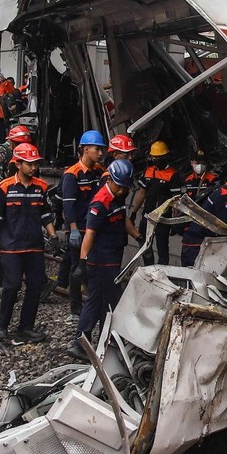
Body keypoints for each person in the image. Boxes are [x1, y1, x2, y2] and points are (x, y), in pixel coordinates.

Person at [67, 159, 141, 360]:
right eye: (119, 186)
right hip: (100, 262)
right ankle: (80, 342)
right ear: (110, 180)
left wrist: (137, 236)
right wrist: (82, 263)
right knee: (97, 301)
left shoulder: (118, 196)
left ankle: (103, 340)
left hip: (112, 259)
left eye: (125, 187)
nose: (122, 191)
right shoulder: (100, 203)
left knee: (106, 303)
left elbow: (123, 218)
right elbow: (89, 235)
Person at [0, 143, 57, 343]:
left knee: (35, 286)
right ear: (17, 164)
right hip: (12, 248)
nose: (33, 167)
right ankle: (2, 326)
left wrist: (53, 237)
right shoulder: (5, 187)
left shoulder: (41, 187)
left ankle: (26, 327)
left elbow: (45, 215)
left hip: (34, 247)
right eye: (29, 164)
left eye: (35, 164)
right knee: (12, 286)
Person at [62, 130, 106, 318]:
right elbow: (69, 203)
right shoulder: (72, 174)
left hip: (93, 227)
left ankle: (94, 298)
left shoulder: (99, 172)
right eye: (97, 149)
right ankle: (75, 304)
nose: (101, 153)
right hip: (79, 228)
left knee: (93, 264)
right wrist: (73, 229)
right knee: (76, 267)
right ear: (86, 149)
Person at [180, 159, 227, 266]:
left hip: (202, 243)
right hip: (196, 246)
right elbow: (226, 229)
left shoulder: (224, 192)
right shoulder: (224, 196)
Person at [130, 141, 182, 265]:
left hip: (162, 219)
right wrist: (133, 213)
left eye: (159, 157)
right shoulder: (148, 171)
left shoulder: (172, 175)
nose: (157, 160)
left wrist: (175, 220)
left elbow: (176, 200)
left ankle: (161, 274)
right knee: (144, 245)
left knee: (162, 248)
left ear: (166, 157)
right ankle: (148, 270)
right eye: (154, 157)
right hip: (147, 216)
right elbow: (141, 193)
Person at [0, 125, 33, 207]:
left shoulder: (28, 152)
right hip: (2, 196)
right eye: (19, 144)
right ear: (12, 143)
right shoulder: (0, 152)